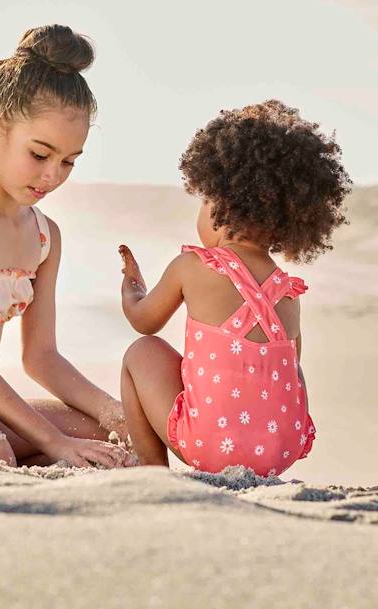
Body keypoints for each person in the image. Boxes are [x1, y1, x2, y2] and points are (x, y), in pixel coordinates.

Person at [0, 24, 133, 469]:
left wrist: (117, 413)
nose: (52, 175)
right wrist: (53, 442)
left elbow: (42, 357)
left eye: (69, 161)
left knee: (109, 435)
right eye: (40, 154)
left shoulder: (44, 237)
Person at [119, 99, 352, 476]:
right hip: (279, 446)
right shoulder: (289, 292)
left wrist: (133, 286)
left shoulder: (192, 266)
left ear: (222, 205)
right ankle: (258, 452)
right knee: (284, 362)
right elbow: (291, 371)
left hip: (209, 443)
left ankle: (150, 471)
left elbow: (143, 321)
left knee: (141, 352)